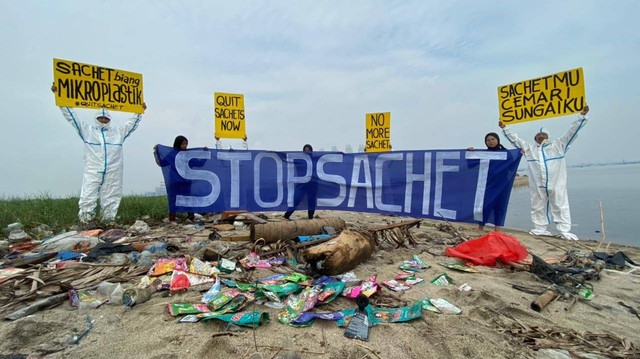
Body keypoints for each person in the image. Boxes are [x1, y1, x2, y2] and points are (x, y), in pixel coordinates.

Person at [51, 83, 146, 225]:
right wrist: (59, 96)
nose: (103, 120)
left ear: (109, 119)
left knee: (112, 195)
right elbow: (72, 117)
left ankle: (108, 221)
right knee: (88, 195)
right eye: (101, 118)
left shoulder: (117, 133)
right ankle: (86, 222)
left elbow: (131, 124)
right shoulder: (87, 130)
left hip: (113, 169)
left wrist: (139, 111)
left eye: (106, 118)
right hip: (93, 168)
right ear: (96, 118)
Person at [499, 105, 590, 240]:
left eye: (544, 135)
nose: (541, 136)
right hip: (537, 184)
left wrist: (581, 116)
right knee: (537, 206)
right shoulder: (529, 149)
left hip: (556, 183)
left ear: (548, 137)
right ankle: (540, 228)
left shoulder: (558, 146)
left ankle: (564, 230)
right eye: (539, 134)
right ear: (535, 137)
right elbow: (515, 139)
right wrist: (505, 127)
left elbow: (572, 132)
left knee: (560, 205)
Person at [467, 132, 508, 231]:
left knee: (500, 206)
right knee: (485, 205)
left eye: (493, 139)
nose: (490, 142)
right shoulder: (483, 154)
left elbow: (513, 163)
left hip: (503, 184)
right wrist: (470, 153)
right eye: (488, 140)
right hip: (487, 184)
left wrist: (520, 153)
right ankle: (481, 227)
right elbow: (471, 165)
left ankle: (497, 228)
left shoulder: (506, 153)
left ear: (498, 140)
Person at [154, 136, 196, 223]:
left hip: (186, 181)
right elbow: (162, 163)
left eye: (186, 144)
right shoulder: (172, 154)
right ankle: (172, 218)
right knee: (174, 198)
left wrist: (206, 152)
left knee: (188, 198)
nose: (185, 146)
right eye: (183, 144)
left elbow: (197, 163)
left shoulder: (188, 155)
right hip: (175, 181)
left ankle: (191, 216)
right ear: (178, 144)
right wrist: (156, 152)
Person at [284, 144, 317, 220]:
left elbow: (328, 159)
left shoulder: (315, 159)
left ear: (311, 151)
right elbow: (286, 158)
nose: (307, 151)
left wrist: (341, 154)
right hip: (301, 184)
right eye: (305, 150)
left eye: (309, 150)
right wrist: (275, 153)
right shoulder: (299, 159)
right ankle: (287, 215)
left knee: (311, 201)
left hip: (313, 184)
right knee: (296, 199)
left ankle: (310, 218)